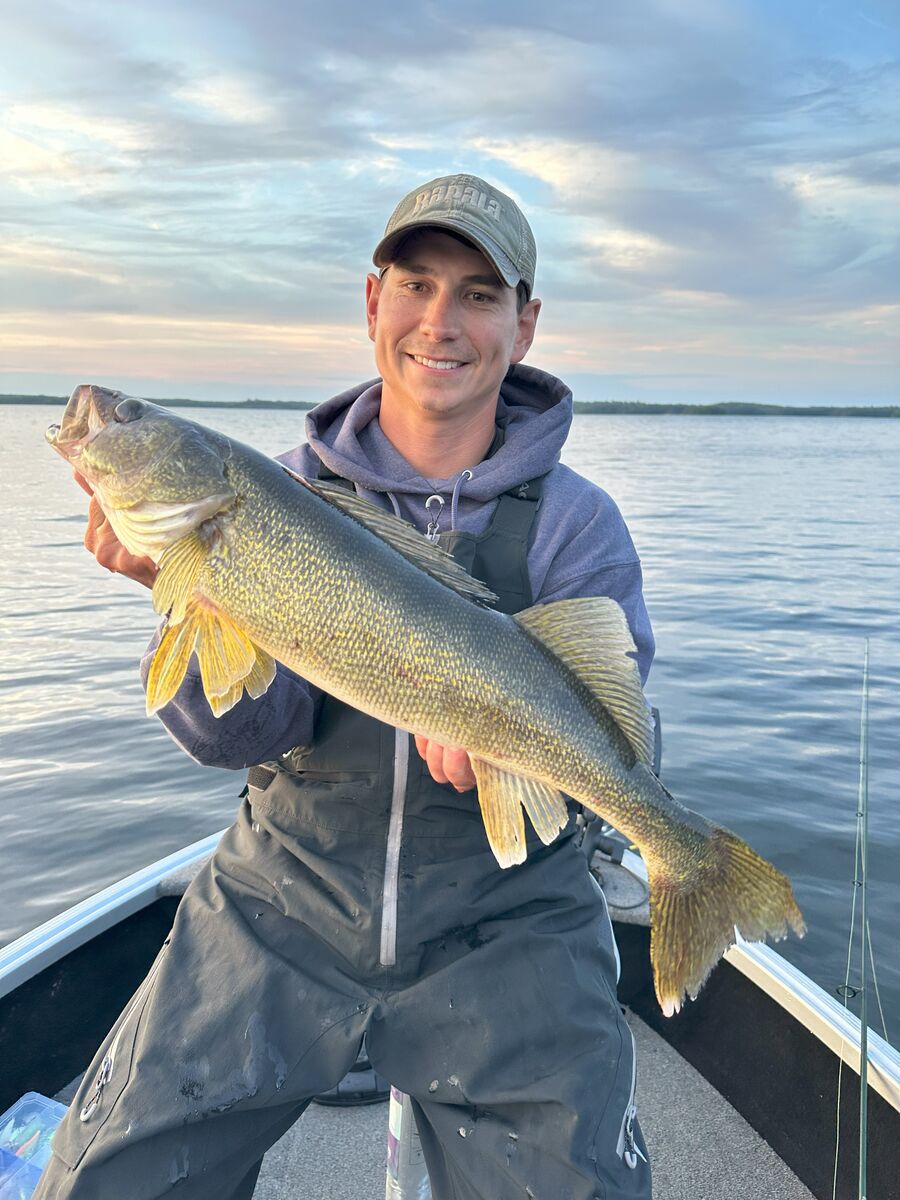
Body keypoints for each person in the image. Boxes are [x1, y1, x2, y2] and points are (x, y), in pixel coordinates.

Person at [36, 174, 655, 1200]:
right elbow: (247, 737)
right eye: (415, 284)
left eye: (478, 293)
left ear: (524, 323)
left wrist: (534, 768)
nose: (439, 321)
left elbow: (624, 730)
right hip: (287, 897)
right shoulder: (279, 494)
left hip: (507, 922)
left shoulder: (579, 525)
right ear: (374, 303)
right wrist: (181, 597)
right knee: (103, 1182)